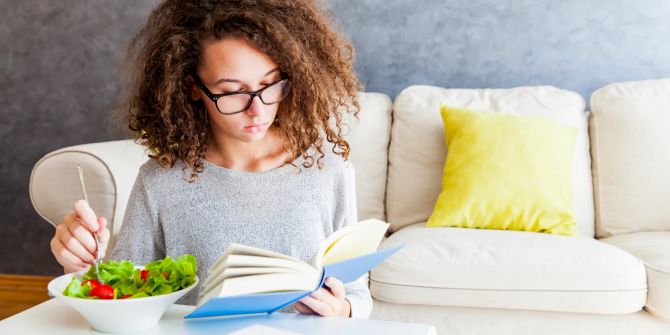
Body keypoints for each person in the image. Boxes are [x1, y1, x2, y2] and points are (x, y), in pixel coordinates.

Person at [49, 0, 371, 318]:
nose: (257, 109)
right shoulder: (161, 181)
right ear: (192, 87)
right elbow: (125, 294)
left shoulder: (327, 167)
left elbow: (356, 294)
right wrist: (79, 263)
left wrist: (341, 309)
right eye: (233, 91)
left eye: (269, 84)